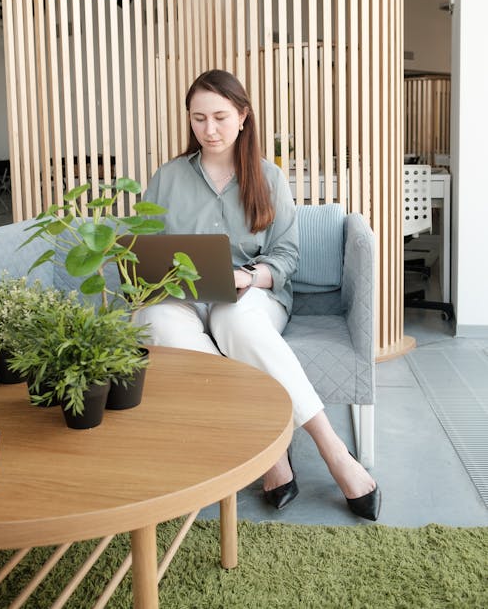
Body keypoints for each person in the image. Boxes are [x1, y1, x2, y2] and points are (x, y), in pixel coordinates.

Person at [139, 69, 381, 521]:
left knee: (236, 320)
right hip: (182, 298)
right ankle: (272, 455)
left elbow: (287, 255)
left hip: (250, 294)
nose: (208, 130)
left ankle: (334, 451)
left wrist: (248, 277)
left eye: (219, 117)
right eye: (198, 119)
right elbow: (144, 245)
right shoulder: (168, 177)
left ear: (243, 116)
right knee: (155, 323)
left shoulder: (268, 177)